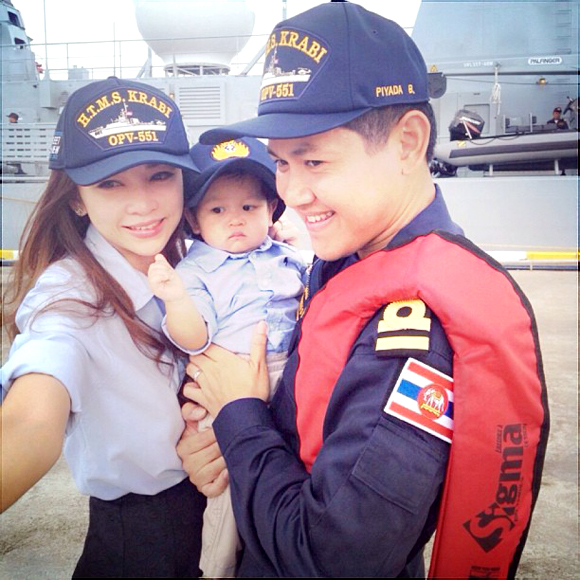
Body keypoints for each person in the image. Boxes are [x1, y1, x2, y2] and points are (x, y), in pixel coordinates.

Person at [176, 3, 549, 578]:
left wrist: (239, 417)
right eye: (281, 164)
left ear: (407, 143)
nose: (290, 193)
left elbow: (334, 557)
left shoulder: (413, 327)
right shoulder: (348, 255)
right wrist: (222, 444)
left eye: (314, 160)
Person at [1, 77, 208, 578]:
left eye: (160, 175)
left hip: (215, 516)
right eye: (110, 183)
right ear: (76, 198)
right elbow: (31, 419)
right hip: (140, 540)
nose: (144, 204)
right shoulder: (68, 298)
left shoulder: (193, 261)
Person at [148, 137, 305, 578]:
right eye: (217, 209)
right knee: (228, 484)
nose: (235, 219)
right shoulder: (193, 272)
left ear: (272, 210)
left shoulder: (287, 256)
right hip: (226, 380)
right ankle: (217, 566)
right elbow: (194, 339)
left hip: (289, 373)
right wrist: (175, 299)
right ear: (194, 220)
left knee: (284, 469)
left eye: (249, 207)